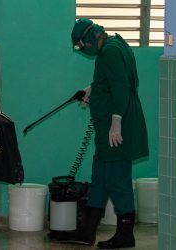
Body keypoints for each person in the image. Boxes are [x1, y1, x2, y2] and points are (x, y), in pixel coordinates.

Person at [69, 18, 149, 249]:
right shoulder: (116, 44)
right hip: (107, 126)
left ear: (90, 38)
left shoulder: (109, 53)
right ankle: (88, 231)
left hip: (118, 127)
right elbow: (114, 78)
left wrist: (116, 121)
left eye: (82, 46)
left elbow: (122, 87)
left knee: (117, 179)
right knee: (101, 176)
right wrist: (92, 89)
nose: (83, 50)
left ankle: (125, 235)